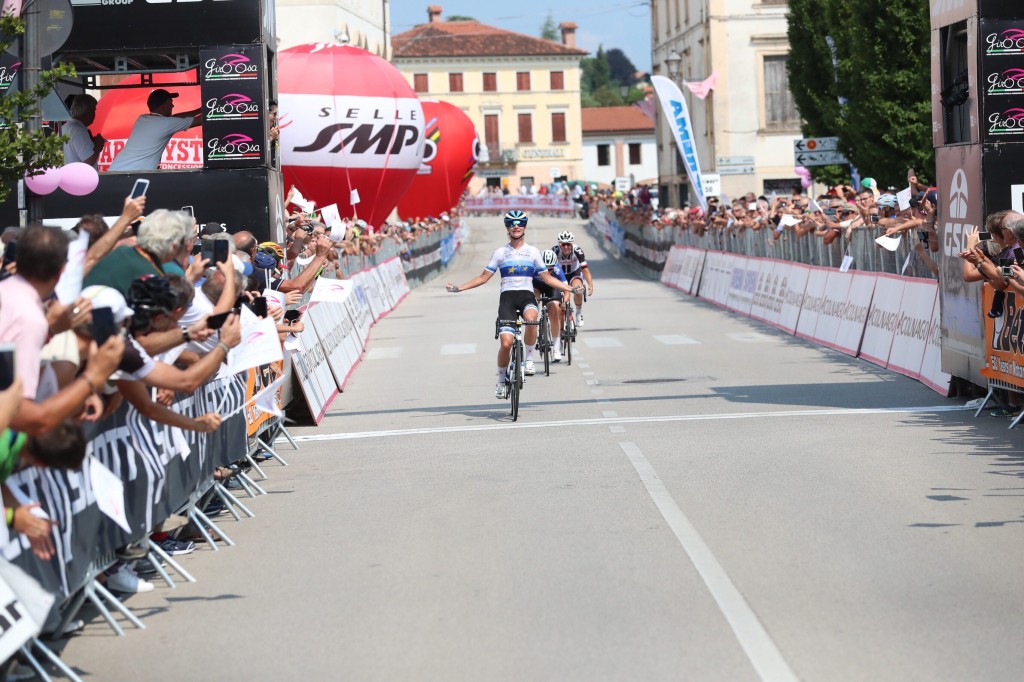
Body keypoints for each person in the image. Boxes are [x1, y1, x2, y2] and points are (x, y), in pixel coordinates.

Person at [446, 210, 576, 398]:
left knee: (532, 319)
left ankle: (529, 359)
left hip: (526, 296)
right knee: (506, 344)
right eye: (512, 224)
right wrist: (459, 288)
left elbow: (547, 278)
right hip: (507, 298)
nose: (516, 226)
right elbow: (483, 278)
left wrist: (570, 289)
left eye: (520, 223)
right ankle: (500, 382)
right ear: (507, 227)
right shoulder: (500, 253)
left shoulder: (533, 252)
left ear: (524, 227)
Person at [108, 89, 201, 172]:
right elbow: (200, 120)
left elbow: (175, 118)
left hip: (117, 170)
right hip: (129, 174)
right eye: (170, 102)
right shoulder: (165, 124)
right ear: (164, 105)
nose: (173, 105)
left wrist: (199, 110)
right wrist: (212, 108)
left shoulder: (143, 118)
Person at [552, 231, 594, 327]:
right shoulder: (555, 251)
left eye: (568, 244)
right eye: (563, 244)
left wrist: (590, 284)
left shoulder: (577, 250)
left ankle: (578, 314)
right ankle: (565, 312)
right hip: (560, 274)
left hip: (574, 272)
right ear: (560, 244)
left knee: (578, 288)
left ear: (572, 244)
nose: (566, 247)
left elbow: (585, 269)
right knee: (558, 294)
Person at [532, 249, 567, 362]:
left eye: (550, 268)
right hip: (537, 287)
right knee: (533, 301)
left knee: (555, 309)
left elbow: (566, 289)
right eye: (545, 268)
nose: (548, 270)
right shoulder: (533, 268)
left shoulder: (557, 270)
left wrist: (564, 302)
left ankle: (556, 349)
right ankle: (534, 324)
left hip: (552, 288)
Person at [62, 94, 105, 167]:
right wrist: (98, 146)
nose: (94, 114)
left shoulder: (64, 127)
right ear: (88, 112)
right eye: (94, 110)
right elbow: (88, 161)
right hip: (79, 177)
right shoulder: (78, 130)